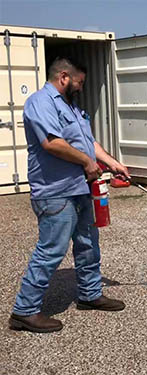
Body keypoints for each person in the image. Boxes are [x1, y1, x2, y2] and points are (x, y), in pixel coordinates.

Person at [9, 57, 131, 333]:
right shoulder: (40, 102)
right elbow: (52, 143)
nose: (80, 86)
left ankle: (90, 294)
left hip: (79, 188)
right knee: (52, 249)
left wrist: (110, 162)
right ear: (64, 77)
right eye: (79, 81)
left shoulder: (71, 107)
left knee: (88, 242)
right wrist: (88, 164)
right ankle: (24, 311)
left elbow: (88, 143)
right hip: (55, 191)